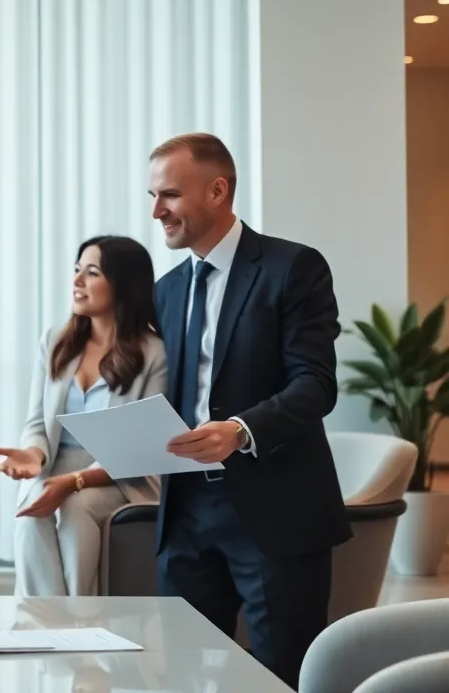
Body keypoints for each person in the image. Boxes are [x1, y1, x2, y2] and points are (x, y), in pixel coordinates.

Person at [148, 132, 350, 689]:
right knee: (182, 675)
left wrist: (240, 431)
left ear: (217, 190)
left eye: (168, 195)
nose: (156, 211)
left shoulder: (293, 268)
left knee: (281, 677)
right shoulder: (165, 291)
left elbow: (316, 385)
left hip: (274, 509)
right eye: (152, 196)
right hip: (185, 511)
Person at [0, 235, 166, 598]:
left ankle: (81, 616)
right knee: (30, 512)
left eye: (92, 273)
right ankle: (49, 624)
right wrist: (34, 456)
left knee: (75, 506)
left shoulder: (154, 353)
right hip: (56, 464)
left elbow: (141, 446)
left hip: (119, 476)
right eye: (75, 271)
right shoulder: (55, 341)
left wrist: (75, 481)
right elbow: (37, 424)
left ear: (122, 284)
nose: (77, 282)